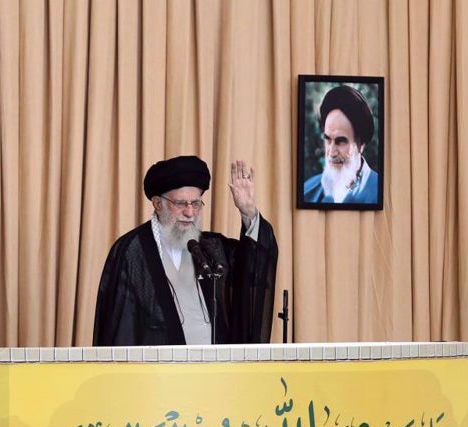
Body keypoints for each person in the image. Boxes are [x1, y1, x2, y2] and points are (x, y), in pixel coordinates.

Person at [93, 155, 278, 346]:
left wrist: (248, 212)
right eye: (181, 204)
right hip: (157, 372)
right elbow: (119, 330)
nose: (190, 213)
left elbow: (253, 264)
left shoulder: (211, 248)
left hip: (214, 370)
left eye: (196, 203)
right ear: (158, 203)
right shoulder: (131, 251)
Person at [302, 85, 379, 204]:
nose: (331, 152)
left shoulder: (380, 193)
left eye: (341, 141)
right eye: (327, 139)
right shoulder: (307, 191)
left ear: (360, 145)